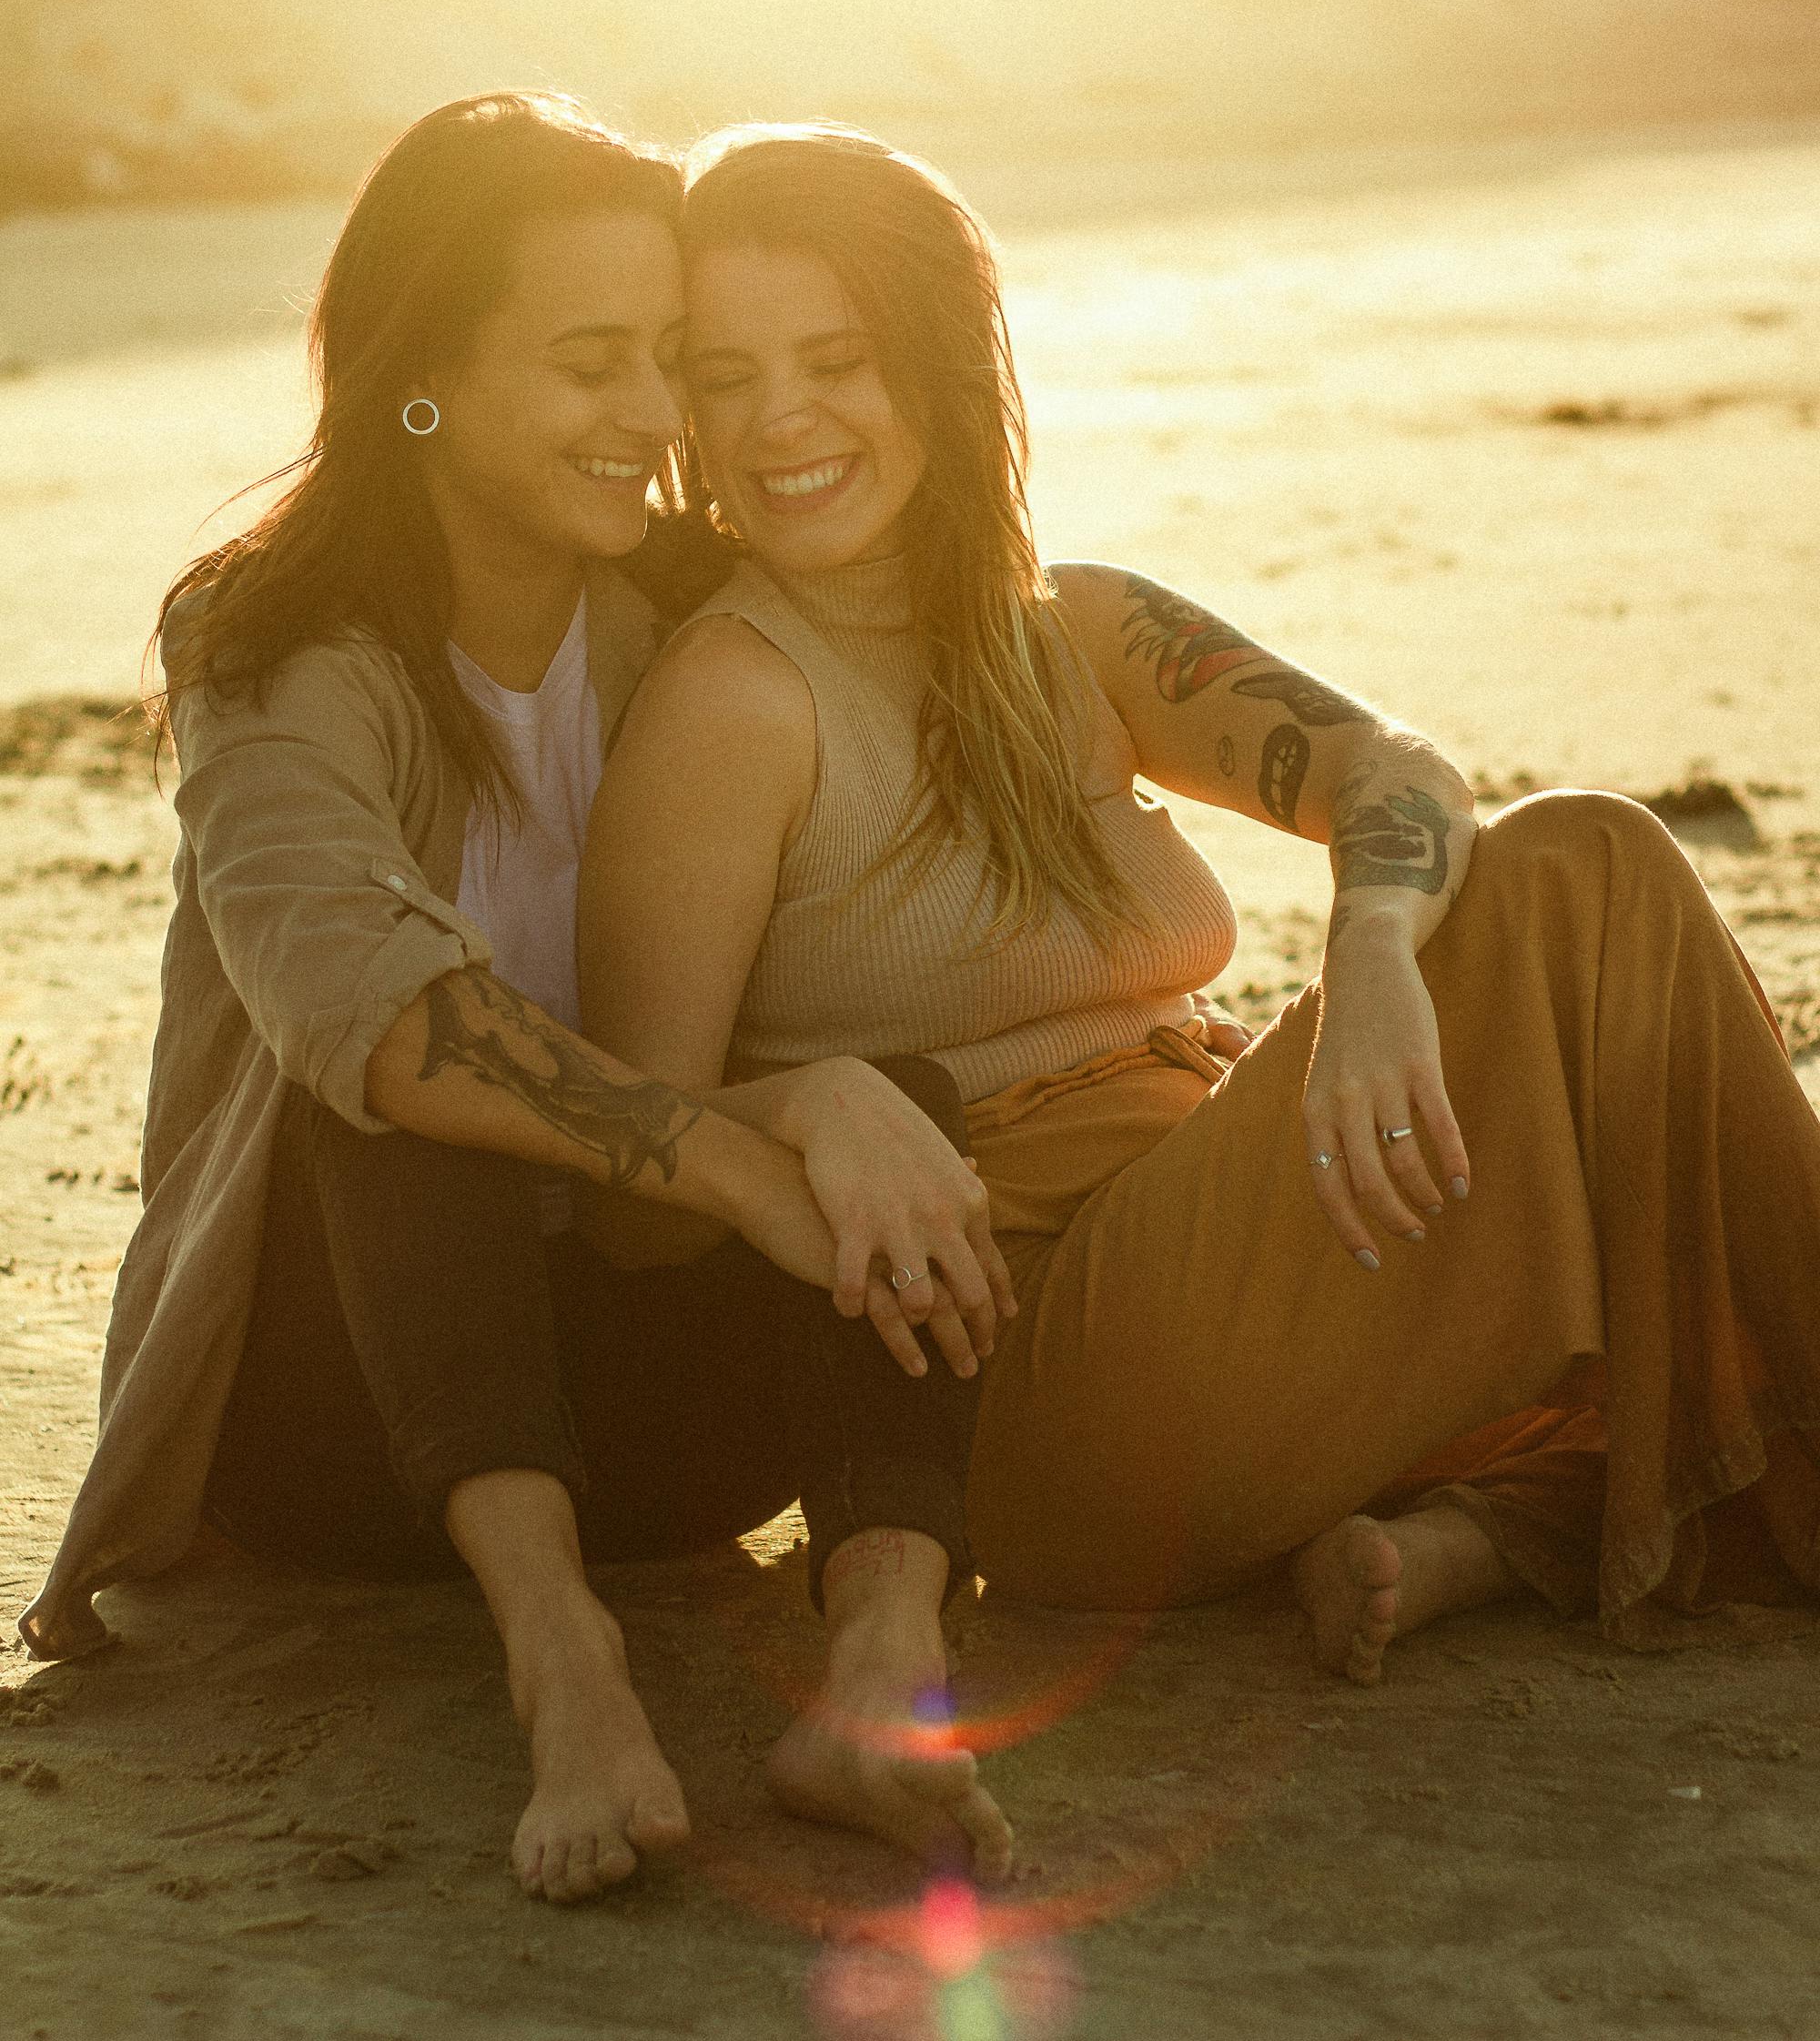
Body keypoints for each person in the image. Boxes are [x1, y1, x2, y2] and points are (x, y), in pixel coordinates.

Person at [581, 120, 1820, 1681]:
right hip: (1052, 1379)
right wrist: (823, 1102)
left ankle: (1472, 1542)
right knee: (1592, 870)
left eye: (836, 357)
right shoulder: (737, 699)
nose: (779, 422)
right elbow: (624, 1169)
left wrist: (1371, 955)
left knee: (1603, 968)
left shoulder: (1075, 626)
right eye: (724, 374)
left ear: (940, 364)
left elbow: (1391, 768)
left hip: (1242, 1252)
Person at [21, 93, 1020, 1901]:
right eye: (590, 365)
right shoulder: (266, 650)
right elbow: (365, 1002)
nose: (656, 419)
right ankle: (566, 1673)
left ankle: (882, 1669)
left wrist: (836, 1099)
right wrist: (741, 1153)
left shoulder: (684, 615)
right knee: (409, 1089)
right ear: (423, 381)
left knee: (886, 1100)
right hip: (336, 1446)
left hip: (648, 1427)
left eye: (664, 359)